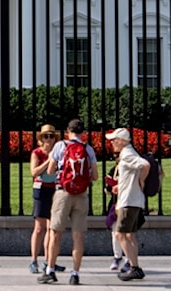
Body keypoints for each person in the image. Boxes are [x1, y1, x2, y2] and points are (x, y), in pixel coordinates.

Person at [38, 118, 97, 286]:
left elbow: (50, 170)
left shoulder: (60, 146)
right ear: (82, 132)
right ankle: (75, 273)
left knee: (55, 232)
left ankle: (50, 270)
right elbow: (95, 176)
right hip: (82, 195)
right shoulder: (88, 149)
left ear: (67, 131)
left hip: (63, 193)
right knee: (78, 236)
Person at [106, 128, 150, 282]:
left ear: (121, 141)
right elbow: (133, 173)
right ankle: (134, 266)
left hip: (128, 201)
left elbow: (145, 165)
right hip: (131, 199)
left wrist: (141, 181)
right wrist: (121, 185)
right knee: (129, 235)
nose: (112, 143)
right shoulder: (128, 153)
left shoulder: (127, 153)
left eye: (114, 140)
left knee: (120, 234)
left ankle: (135, 267)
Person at [28, 123, 59, 275]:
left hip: (55, 189)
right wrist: (48, 161)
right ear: (41, 138)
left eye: (51, 136)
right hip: (40, 190)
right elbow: (34, 172)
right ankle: (34, 260)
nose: (48, 139)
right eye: (46, 136)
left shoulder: (59, 152)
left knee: (51, 227)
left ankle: (49, 260)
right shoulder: (37, 153)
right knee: (39, 228)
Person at [104, 162, 127, 272]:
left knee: (128, 233)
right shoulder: (114, 170)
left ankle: (128, 258)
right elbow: (107, 190)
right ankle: (117, 256)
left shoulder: (131, 169)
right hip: (116, 204)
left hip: (128, 203)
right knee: (115, 232)